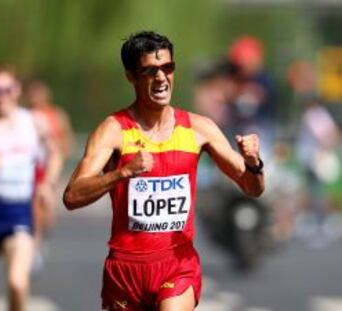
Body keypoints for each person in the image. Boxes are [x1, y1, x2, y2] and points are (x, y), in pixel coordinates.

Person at [63, 31, 265, 310]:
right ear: (131, 76)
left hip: (176, 265)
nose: (161, 78)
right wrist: (121, 173)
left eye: (167, 68)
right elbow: (72, 196)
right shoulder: (113, 130)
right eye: (150, 70)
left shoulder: (198, 128)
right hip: (125, 270)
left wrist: (254, 162)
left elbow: (252, 187)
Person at [0, 65, 61, 311]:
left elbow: (55, 152)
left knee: (17, 283)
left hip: (19, 211)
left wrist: (47, 184)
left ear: (17, 90)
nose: (1, 96)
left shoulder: (34, 123)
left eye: (6, 89)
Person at [25, 79, 74, 267]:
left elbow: (66, 138)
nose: (36, 98)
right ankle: (33, 245)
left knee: (47, 208)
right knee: (35, 206)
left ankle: (42, 235)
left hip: (51, 166)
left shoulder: (56, 115)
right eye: (32, 94)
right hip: (31, 167)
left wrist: (60, 154)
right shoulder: (25, 116)